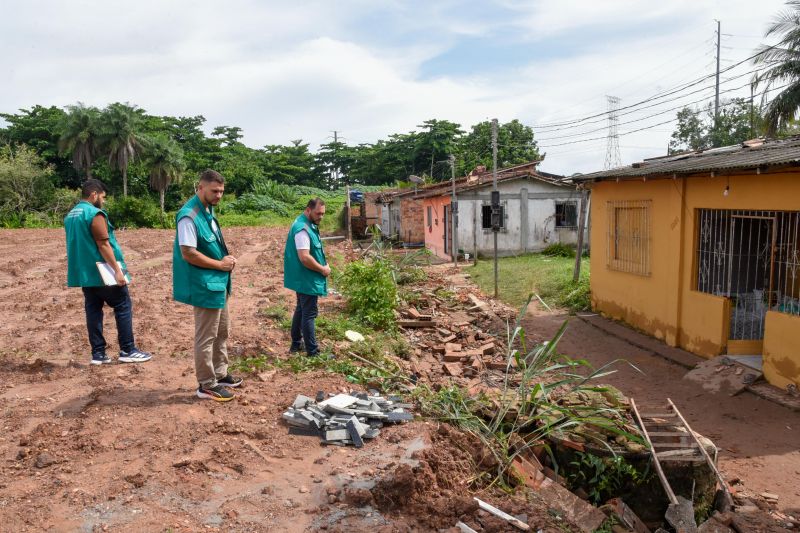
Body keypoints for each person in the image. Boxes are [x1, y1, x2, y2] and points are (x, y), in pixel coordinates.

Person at [64, 179, 152, 365]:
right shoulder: (94, 213)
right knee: (122, 305)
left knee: (93, 309)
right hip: (103, 271)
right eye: (102, 197)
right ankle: (128, 349)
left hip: (85, 274)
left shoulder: (71, 215)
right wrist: (117, 270)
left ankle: (98, 354)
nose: (103, 201)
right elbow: (103, 244)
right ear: (94, 194)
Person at [173, 170, 243, 402]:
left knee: (222, 331)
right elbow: (188, 253)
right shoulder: (188, 216)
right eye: (215, 191)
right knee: (206, 336)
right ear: (200, 188)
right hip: (205, 285)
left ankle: (220, 373)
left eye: (222, 191)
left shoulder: (207, 211)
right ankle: (206, 384)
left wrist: (225, 259)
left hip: (218, 283)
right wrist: (220, 264)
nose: (219, 195)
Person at [283, 198, 331, 357]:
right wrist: (322, 269)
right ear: (308, 210)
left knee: (301, 309)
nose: (321, 217)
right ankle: (313, 351)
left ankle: (296, 344)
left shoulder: (304, 223)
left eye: (323, 214)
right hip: (307, 278)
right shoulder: (303, 229)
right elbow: (304, 257)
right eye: (318, 213)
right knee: (309, 313)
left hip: (302, 278)